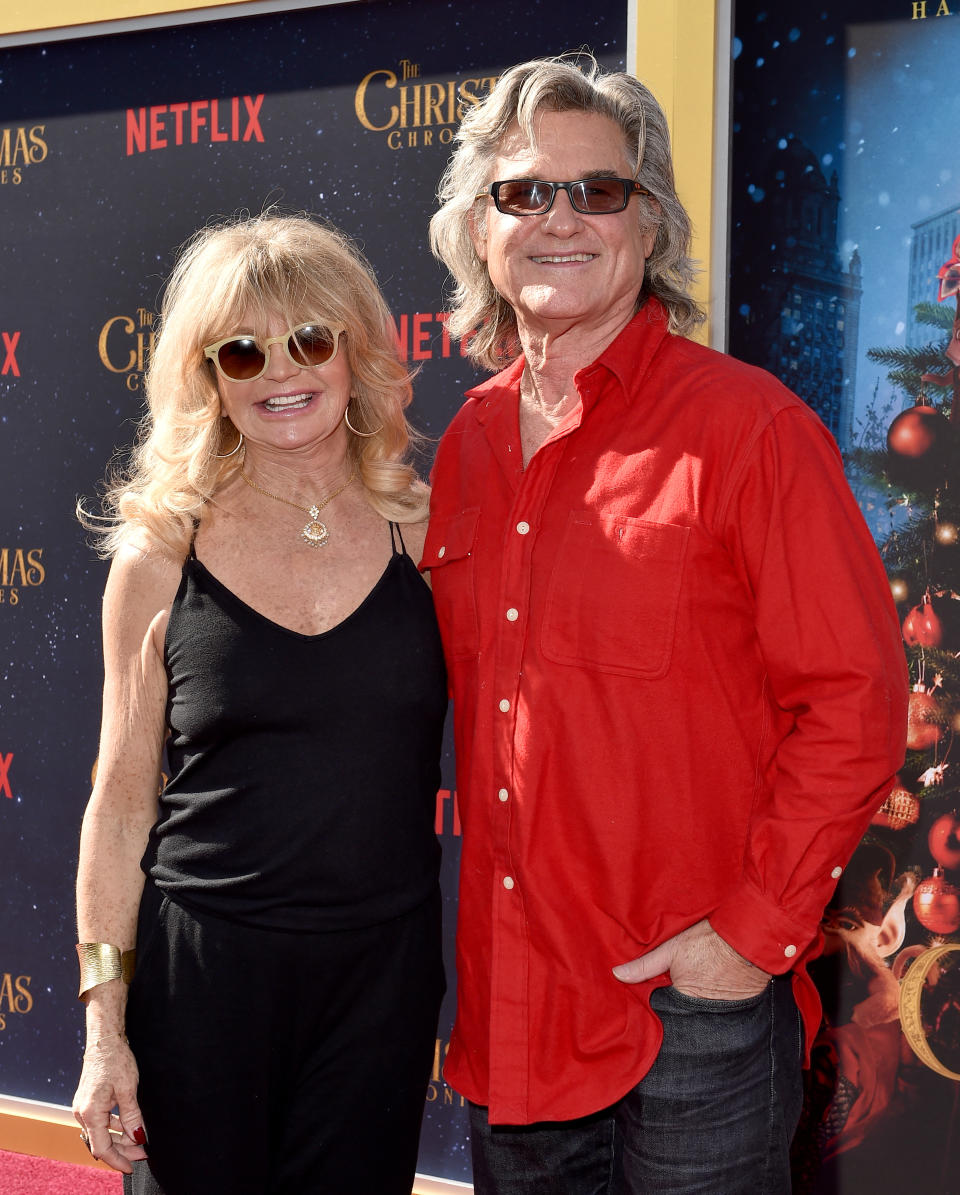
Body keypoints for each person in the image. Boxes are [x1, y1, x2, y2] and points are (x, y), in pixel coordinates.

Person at [425, 54, 908, 1194]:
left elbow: (856, 701)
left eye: (600, 191)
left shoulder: (750, 431)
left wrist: (747, 937)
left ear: (650, 228)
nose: (561, 219)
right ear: (477, 229)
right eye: (523, 191)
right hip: (511, 1025)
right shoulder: (464, 448)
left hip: (690, 1021)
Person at [72, 213, 447, 1195]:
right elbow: (118, 804)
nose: (282, 371)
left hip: (381, 984)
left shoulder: (428, 535)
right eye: (242, 350)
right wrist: (105, 1027)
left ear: (356, 350)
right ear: (208, 376)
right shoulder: (160, 554)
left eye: (309, 340)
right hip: (201, 982)